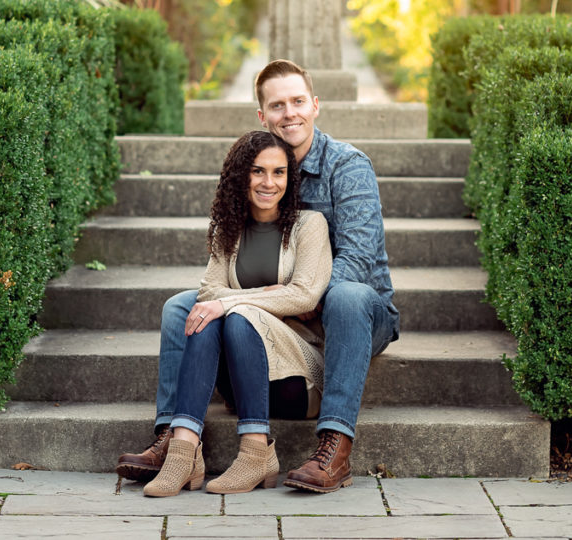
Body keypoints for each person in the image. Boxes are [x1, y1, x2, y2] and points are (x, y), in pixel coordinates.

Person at [118, 59, 398, 494]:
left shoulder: (348, 166)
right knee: (181, 306)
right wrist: (268, 304)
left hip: (356, 314)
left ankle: (334, 446)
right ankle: (172, 437)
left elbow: (358, 260)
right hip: (277, 311)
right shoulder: (257, 165)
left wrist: (293, 301)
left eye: (299, 101)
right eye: (278, 105)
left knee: (345, 294)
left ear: (316, 105)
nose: (290, 113)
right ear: (262, 115)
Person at [138, 130, 332, 497]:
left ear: (290, 179)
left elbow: (305, 295)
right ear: (240, 175)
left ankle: (257, 451)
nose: (268, 182)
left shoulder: (310, 225)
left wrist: (236, 302)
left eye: (279, 172)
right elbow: (209, 291)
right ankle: (183, 450)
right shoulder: (230, 229)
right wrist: (268, 295)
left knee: (237, 315)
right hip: (239, 379)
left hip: (296, 378)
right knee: (196, 311)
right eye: (258, 171)